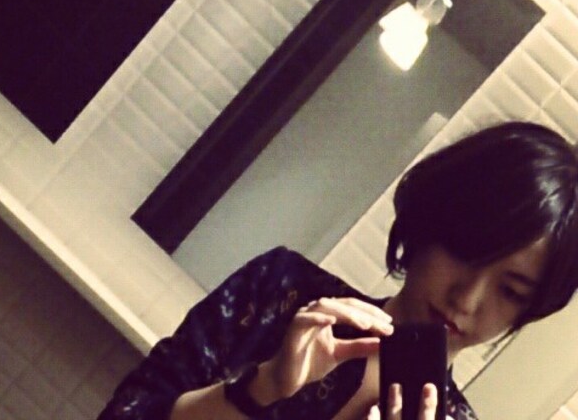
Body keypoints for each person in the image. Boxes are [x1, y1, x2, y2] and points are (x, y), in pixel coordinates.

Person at [97, 121, 578, 419]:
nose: (467, 300)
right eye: (465, 252)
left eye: (512, 292)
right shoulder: (281, 291)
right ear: (431, 221)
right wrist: (258, 391)